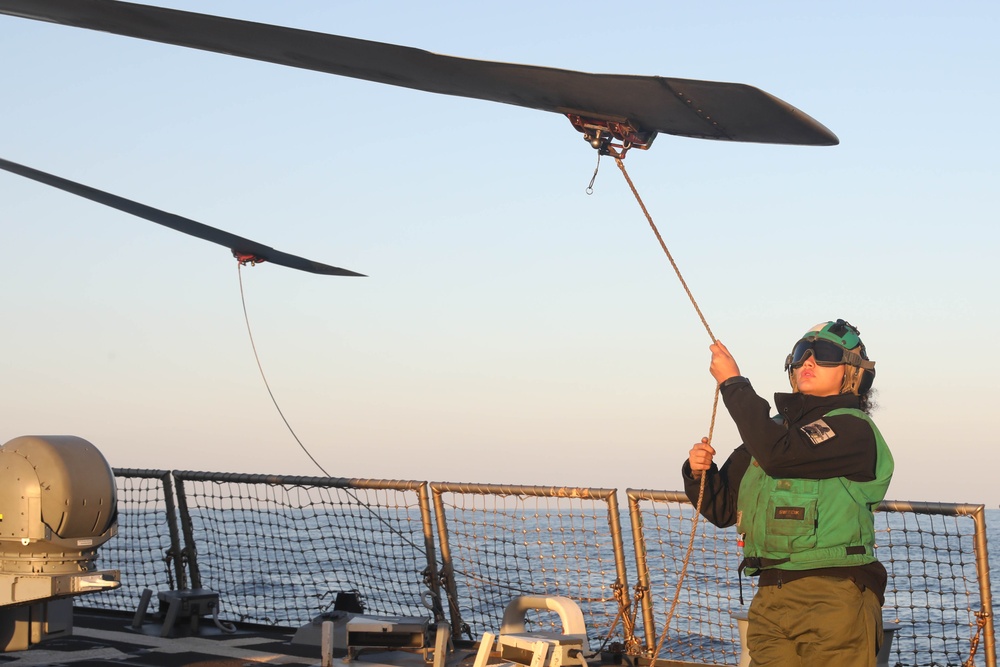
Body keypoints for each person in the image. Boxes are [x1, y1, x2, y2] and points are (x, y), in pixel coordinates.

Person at [682, 320, 893, 667]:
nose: (808, 362)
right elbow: (722, 509)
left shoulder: (854, 429)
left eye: (824, 355)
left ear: (851, 373)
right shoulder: (773, 433)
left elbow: (780, 455)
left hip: (834, 596)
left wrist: (733, 384)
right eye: (800, 354)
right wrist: (698, 473)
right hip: (769, 599)